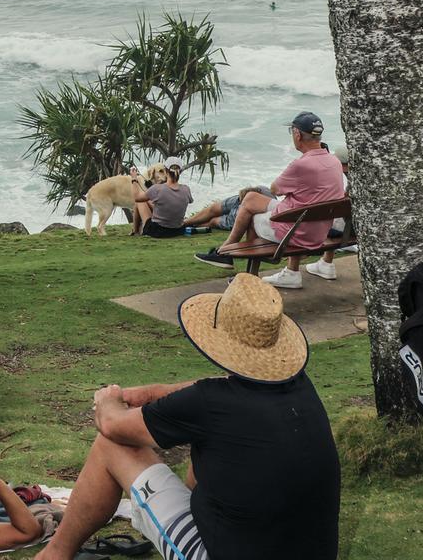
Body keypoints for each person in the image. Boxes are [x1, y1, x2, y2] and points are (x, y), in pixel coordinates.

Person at [33, 273, 341, 560]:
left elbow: (114, 427)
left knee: (109, 446)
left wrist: (108, 398)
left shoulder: (208, 405)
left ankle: (54, 555)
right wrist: (158, 392)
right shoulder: (299, 388)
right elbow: (215, 392)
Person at [212, 112, 345, 288]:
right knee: (252, 199)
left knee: (252, 215)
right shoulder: (334, 161)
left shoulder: (301, 165)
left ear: (297, 135)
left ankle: (246, 273)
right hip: (317, 230)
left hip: (296, 232)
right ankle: (289, 271)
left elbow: (274, 189)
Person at [305, 145, 352, 281]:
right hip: (360, 226)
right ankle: (326, 263)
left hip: (349, 229)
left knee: (324, 215)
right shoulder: (361, 178)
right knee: (334, 212)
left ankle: (294, 268)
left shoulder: (351, 180)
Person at [130, 157, 193, 238]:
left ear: (166, 171)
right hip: (178, 230)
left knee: (140, 201)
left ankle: (135, 231)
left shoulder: (157, 189)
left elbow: (136, 197)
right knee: (149, 201)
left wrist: (134, 179)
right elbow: (170, 203)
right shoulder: (186, 189)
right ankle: (135, 231)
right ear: (179, 172)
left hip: (157, 231)